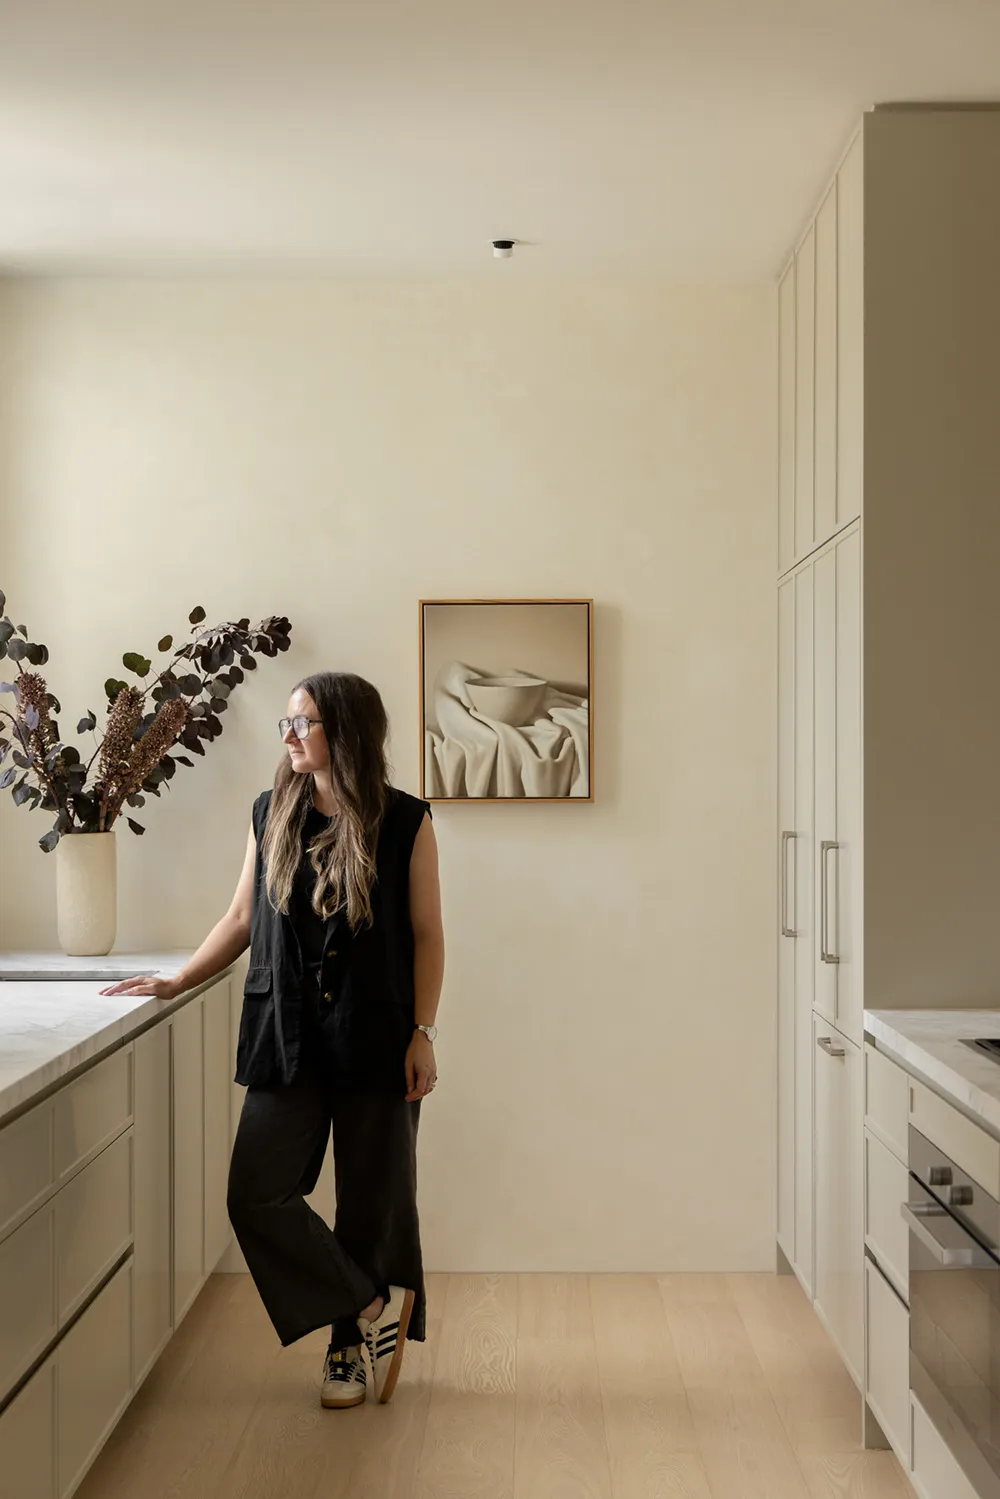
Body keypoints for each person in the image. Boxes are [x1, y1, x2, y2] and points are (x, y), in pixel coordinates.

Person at [101, 671, 444, 1410]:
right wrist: (178, 977)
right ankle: (368, 1303)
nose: (289, 734)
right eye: (287, 722)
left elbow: (426, 934)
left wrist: (423, 1031)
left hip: (376, 1031)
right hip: (284, 1028)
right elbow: (239, 919)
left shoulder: (407, 821)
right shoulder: (271, 811)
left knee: (368, 1200)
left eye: (304, 722)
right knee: (256, 1193)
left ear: (345, 731)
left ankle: (346, 1353)